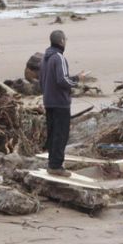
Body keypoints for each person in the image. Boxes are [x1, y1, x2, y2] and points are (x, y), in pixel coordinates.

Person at [41, 30, 79, 175]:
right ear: (62, 41)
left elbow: (41, 81)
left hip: (48, 101)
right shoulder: (59, 58)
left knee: (52, 133)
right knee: (61, 134)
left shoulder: (45, 58)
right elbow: (63, 80)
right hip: (60, 103)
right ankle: (56, 166)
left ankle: (52, 163)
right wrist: (77, 79)